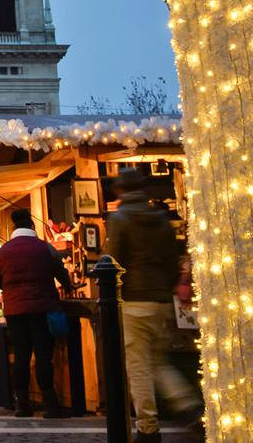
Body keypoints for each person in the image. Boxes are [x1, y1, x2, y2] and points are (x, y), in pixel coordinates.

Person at [106, 169, 198, 442]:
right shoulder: (160, 221)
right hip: (159, 299)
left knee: (139, 366)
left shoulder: (120, 219)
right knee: (158, 360)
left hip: (133, 300)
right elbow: (172, 260)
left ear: (121, 191)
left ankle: (147, 428)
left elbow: (113, 261)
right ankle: (188, 405)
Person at [0, 207, 72, 419]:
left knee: (21, 357)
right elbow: (62, 275)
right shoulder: (45, 248)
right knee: (44, 357)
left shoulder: (2, 252)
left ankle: (23, 405)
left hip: (15, 311)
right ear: (32, 225)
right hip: (42, 309)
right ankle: (51, 405)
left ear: (14, 227)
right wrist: (68, 286)